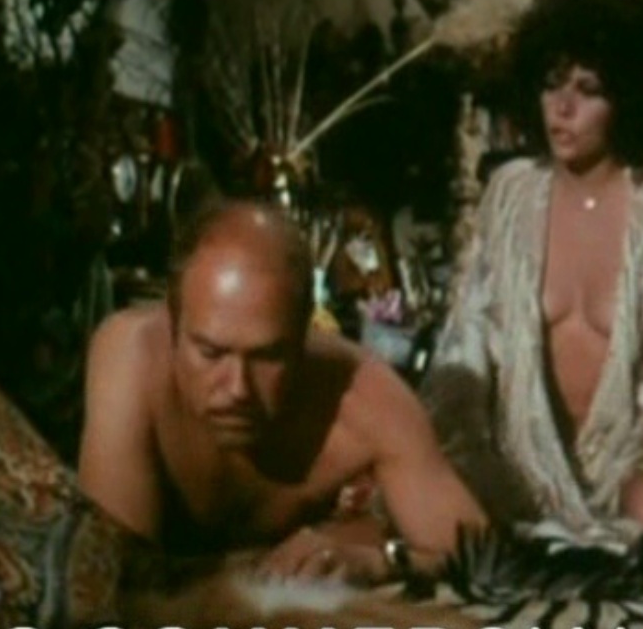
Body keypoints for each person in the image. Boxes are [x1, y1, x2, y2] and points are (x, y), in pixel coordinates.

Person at [421, 0, 643, 534]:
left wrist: (639, 471)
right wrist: (462, 448)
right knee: (442, 506)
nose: (563, 107)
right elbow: (465, 342)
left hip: (635, 461)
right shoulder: (511, 192)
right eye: (551, 84)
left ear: (627, 96)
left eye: (588, 89)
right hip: (523, 463)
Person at [77, 199, 486, 585]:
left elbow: (483, 556)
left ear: (304, 335)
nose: (238, 388)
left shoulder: (365, 396)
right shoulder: (130, 356)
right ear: (172, 324)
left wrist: (380, 560)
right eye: (211, 353)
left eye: (268, 357)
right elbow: (115, 578)